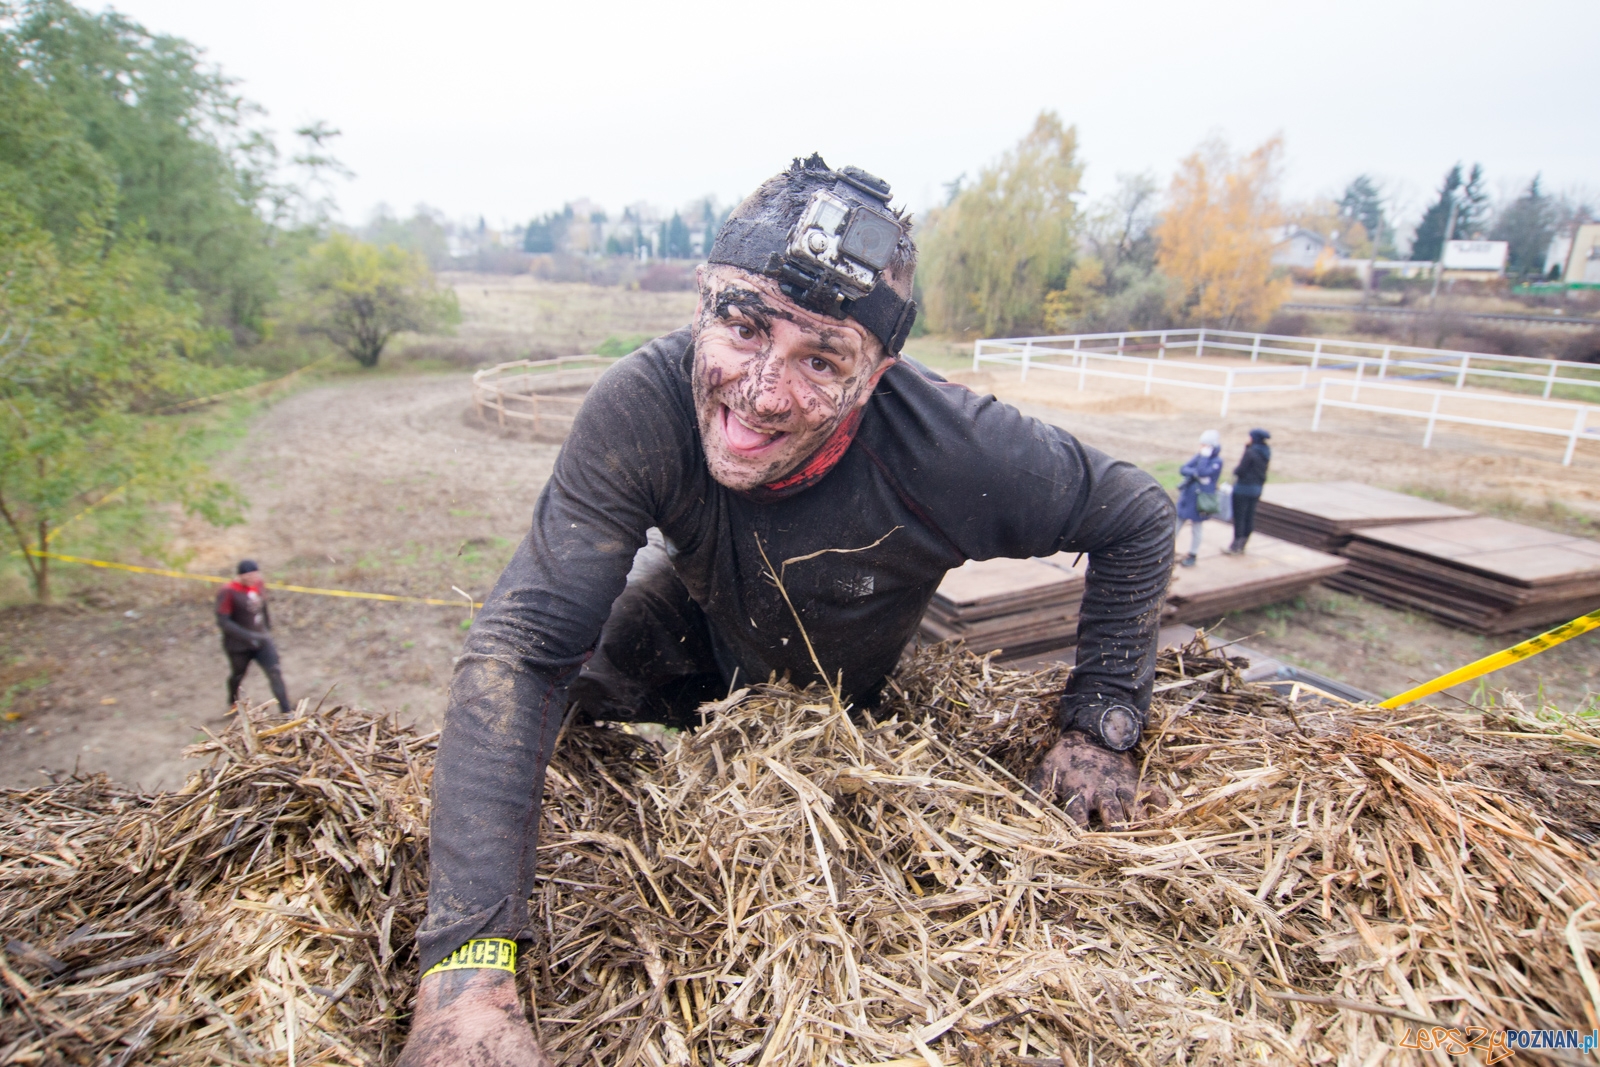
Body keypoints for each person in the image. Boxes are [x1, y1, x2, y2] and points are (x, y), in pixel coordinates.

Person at [397, 155, 1175, 1067]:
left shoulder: (951, 451)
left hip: (850, 683)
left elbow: (1137, 514)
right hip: (695, 631)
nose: (761, 392)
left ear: (877, 372)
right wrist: (466, 977)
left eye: (822, 359)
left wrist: (1102, 725)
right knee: (553, 685)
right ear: (702, 304)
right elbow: (522, 653)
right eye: (743, 325)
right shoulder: (643, 407)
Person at [215, 559, 292, 714]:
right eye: (248, 576)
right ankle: (233, 700)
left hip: (262, 640)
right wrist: (248, 636)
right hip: (238, 645)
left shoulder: (258, 585)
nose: (252, 579)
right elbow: (224, 622)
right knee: (238, 674)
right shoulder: (228, 591)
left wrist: (266, 629)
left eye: (255, 575)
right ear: (240, 576)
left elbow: (263, 607)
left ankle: (286, 710)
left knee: (274, 671)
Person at [1175, 430, 1223, 567]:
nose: (1201, 447)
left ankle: (1193, 554)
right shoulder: (1199, 456)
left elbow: (1203, 471)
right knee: (1177, 524)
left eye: (1204, 445)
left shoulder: (1216, 461)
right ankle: (1168, 550)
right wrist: (1196, 472)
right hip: (1188, 497)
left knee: (1196, 527)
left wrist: (1203, 459)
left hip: (1200, 500)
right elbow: (1183, 469)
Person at [1226, 428, 1272, 554]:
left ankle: (1235, 545)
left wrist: (1235, 470)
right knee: (1249, 516)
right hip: (1256, 489)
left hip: (1243, 489)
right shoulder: (1266, 452)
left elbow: (1241, 470)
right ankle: (1243, 543)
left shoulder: (1251, 452)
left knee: (1239, 517)